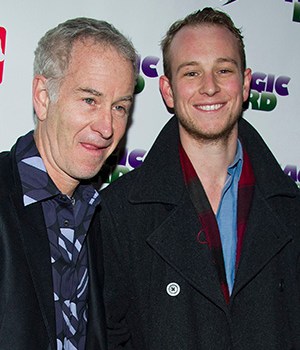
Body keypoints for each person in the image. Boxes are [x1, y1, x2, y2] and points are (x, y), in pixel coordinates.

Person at [99, 7, 300, 349]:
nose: (210, 87)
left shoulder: (292, 210)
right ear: (167, 90)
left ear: (247, 83)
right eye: (191, 73)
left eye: (223, 69)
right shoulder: (118, 213)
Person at [0, 17, 137, 350]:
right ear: (44, 97)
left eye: (119, 107)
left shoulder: (94, 214)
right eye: (90, 100)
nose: (107, 127)